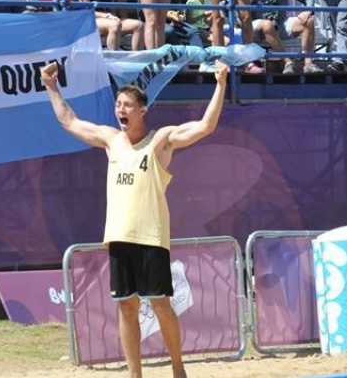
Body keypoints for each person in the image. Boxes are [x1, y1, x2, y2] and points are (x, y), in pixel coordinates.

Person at [42, 60, 231, 378]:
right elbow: (70, 122)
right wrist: (51, 86)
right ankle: (135, 374)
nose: (121, 109)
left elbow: (205, 126)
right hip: (119, 236)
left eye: (127, 104)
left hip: (151, 238)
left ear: (142, 110)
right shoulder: (111, 139)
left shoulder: (160, 140)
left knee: (160, 305)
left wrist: (221, 83)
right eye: (118, 104)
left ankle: (178, 367)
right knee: (126, 307)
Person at [248, 0, 322, 74]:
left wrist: (308, 10)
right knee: (267, 24)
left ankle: (308, 64)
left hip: (279, 24)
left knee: (309, 20)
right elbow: (240, 3)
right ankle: (287, 62)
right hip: (255, 27)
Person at [78, 0, 143, 51]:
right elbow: (84, 9)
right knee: (114, 25)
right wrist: (106, 15)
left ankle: (137, 58)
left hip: (111, 19)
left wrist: (112, 15)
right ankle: (113, 58)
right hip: (91, 20)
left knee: (139, 25)